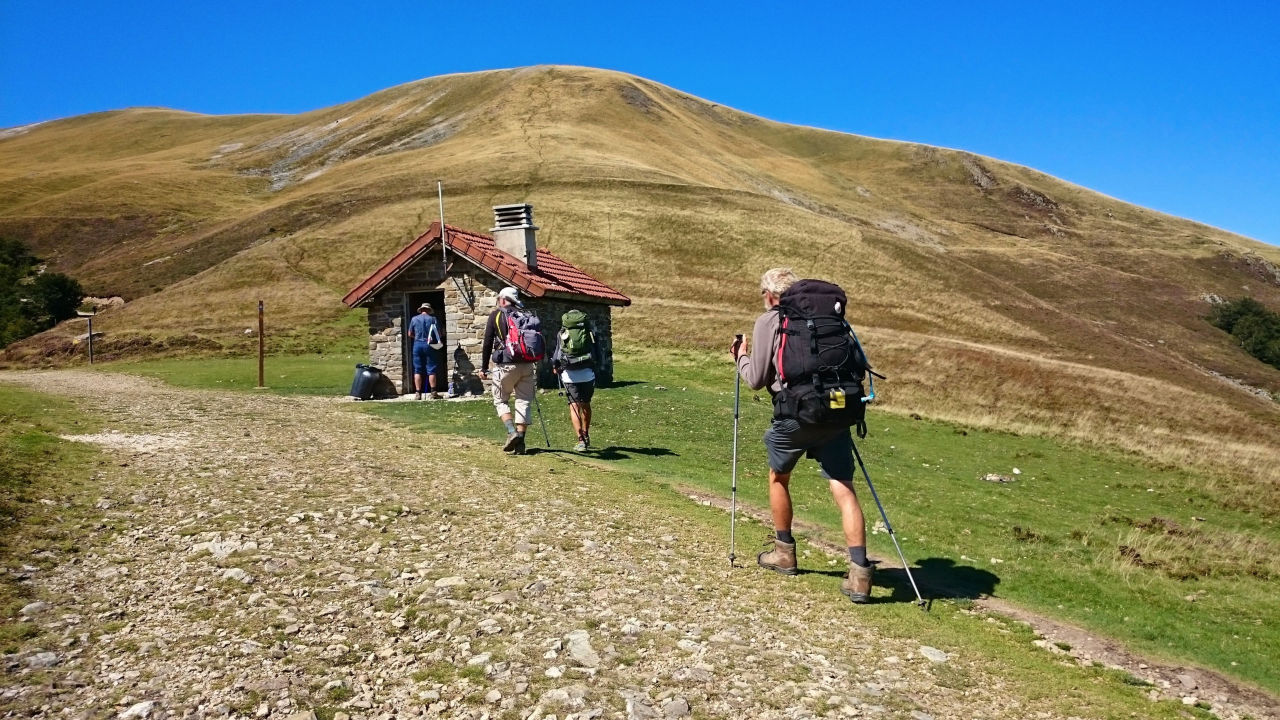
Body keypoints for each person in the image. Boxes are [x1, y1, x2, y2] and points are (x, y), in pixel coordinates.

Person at [730, 268, 875, 603]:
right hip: (836, 412)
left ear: (769, 294)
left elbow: (755, 378)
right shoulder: (826, 319)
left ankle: (784, 553)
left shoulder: (770, 320)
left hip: (794, 415)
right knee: (843, 487)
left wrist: (740, 358)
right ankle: (860, 574)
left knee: (779, 477)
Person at [480, 287, 539, 455]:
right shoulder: (524, 315)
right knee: (523, 401)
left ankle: (511, 431)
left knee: (500, 400)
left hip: (505, 364)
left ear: (504, 300)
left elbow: (487, 342)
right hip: (527, 364)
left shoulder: (496, 315)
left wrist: (484, 367)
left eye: (499, 298)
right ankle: (521, 441)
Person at [551, 309, 600, 452]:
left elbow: (558, 352)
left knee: (574, 406)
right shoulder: (589, 332)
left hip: (569, 374)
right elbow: (597, 352)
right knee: (586, 404)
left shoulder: (562, 333)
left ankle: (580, 440)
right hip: (588, 374)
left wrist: (555, 366)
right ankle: (586, 433)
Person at [407, 303, 442, 400]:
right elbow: (439, 333)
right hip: (429, 344)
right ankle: (433, 392)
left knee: (417, 369)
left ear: (421, 309)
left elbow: (410, 333)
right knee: (431, 368)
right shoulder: (433, 319)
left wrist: (417, 337)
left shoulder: (414, 319)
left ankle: (418, 393)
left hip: (417, 344)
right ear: (429, 310)